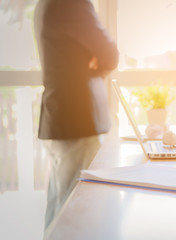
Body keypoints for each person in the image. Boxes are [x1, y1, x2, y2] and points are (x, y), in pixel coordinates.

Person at [33, 0, 119, 231]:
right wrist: (97, 63)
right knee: (75, 213)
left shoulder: (47, 3)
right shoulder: (71, 3)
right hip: (77, 120)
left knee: (59, 206)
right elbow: (110, 53)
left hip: (61, 117)